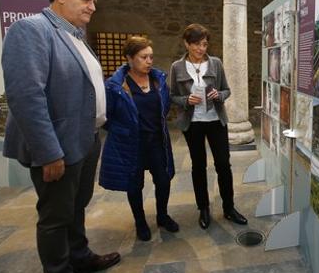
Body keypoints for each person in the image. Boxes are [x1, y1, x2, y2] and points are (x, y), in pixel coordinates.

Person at [1, 0, 120, 273]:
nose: (92, 7)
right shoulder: (31, 31)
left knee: (75, 207)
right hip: (57, 146)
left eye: (94, 1)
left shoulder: (76, 36)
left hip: (84, 139)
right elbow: (26, 97)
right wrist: (48, 152)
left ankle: (79, 257)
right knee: (54, 217)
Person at [99, 36, 178, 241]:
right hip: (132, 144)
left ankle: (162, 215)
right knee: (135, 185)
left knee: (163, 180)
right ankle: (140, 222)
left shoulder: (158, 79)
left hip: (157, 141)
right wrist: (125, 130)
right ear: (130, 58)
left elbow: (165, 106)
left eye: (151, 57)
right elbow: (106, 117)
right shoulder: (115, 86)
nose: (149, 61)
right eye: (144, 57)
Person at [169, 23, 248, 229]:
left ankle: (229, 208)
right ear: (186, 44)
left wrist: (218, 95)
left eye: (204, 44)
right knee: (198, 166)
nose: (200, 49)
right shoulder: (177, 67)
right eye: (195, 44)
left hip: (215, 121)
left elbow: (227, 90)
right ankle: (203, 208)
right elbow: (172, 97)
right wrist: (187, 100)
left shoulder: (216, 63)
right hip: (193, 124)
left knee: (223, 164)